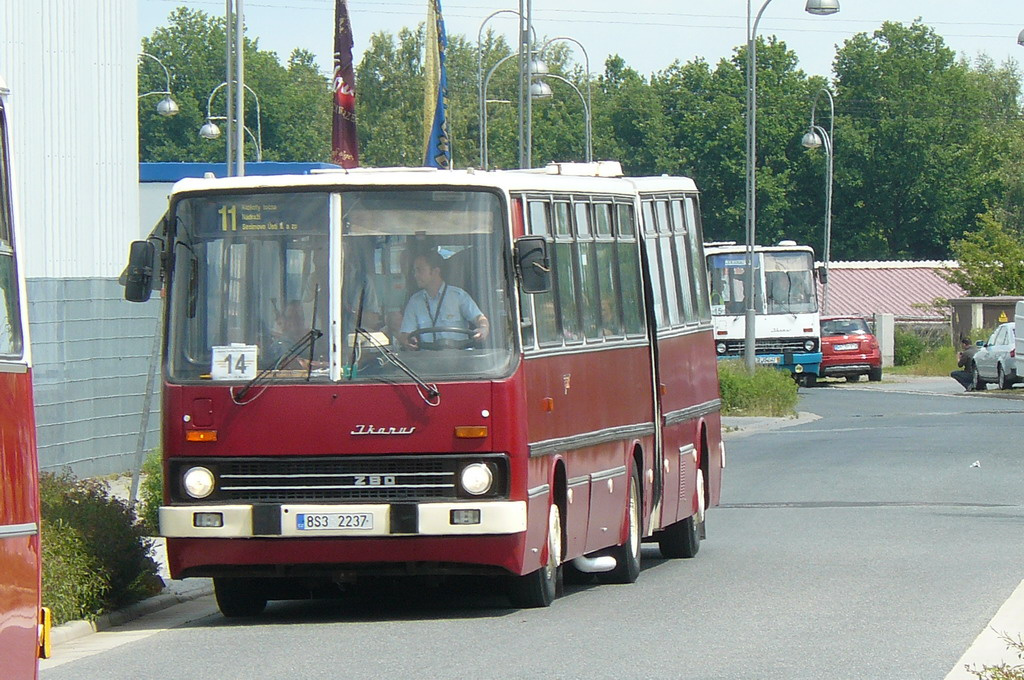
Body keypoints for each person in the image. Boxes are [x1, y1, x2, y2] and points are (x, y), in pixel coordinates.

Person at [399, 250, 489, 350]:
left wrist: (483, 328)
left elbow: (479, 318)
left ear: (435, 271)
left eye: (419, 270)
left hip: (461, 360)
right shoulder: (414, 302)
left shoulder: (458, 296)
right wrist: (406, 341)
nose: (415, 275)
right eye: (414, 271)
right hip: (428, 361)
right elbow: (405, 334)